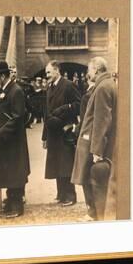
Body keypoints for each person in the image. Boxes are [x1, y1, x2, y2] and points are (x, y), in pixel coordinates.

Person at [71, 57, 117, 221]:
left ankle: (95, 214)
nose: (87, 73)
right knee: (91, 179)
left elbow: (101, 120)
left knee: (92, 180)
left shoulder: (103, 87)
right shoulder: (106, 84)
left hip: (92, 143)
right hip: (91, 141)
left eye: (89, 70)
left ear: (96, 69)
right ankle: (95, 212)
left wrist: (97, 150)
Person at [0, 61, 30, 218]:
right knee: (8, 171)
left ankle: (17, 206)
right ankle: (10, 200)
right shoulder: (6, 90)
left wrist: (1, 132)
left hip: (13, 142)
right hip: (6, 141)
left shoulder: (16, 91)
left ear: (2, 76)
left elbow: (18, 116)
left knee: (14, 172)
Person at [42, 60, 81, 206]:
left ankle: (70, 195)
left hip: (65, 131)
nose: (47, 75)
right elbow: (46, 113)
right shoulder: (50, 87)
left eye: (49, 72)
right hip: (53, 133)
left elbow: (79, 104)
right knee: (57, 163)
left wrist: (64, 109)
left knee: (66, 164)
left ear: (57, 71)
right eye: (46, 73)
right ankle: (61, 193)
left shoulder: (69, 85)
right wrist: (44, 136)